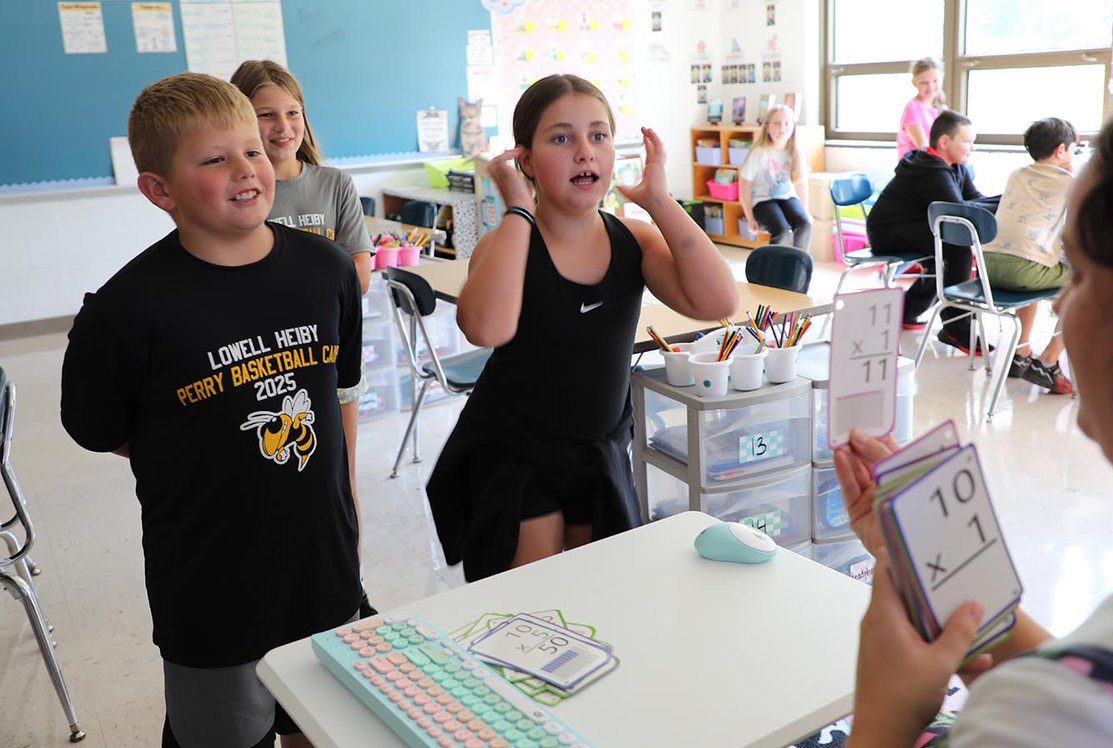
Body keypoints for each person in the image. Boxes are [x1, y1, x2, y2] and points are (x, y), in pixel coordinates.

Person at [836, 69, 1113, 746]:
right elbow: (1106, 683)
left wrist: (884, 713)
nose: (1061, 304)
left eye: (1081, 273)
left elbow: (1075, 708)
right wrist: (926, 558)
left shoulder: (1041, 722)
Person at [60, 73, 363, 748]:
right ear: (159, 190)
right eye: (214, 159)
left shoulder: (328, 272)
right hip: (211, 591)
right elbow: (100, 430)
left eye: (252, 149)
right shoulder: (124, 313)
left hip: (323, 569)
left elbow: (335, 396)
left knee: (327, 728)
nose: (247, 170)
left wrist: (350, 516)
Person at [426, 74, 738, 582]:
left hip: (599, 450)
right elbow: (485, 328)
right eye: (561, 138)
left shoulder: (633, 240)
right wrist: (517, 214)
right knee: (535, 606)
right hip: (515, 452)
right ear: (524, 160)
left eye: (598, 135)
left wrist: (659, 202)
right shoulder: (508, 244)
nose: (584, 152)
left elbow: (716, 300)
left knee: (600, 595)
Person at [231, 59, 378, 616]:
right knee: (280, 478)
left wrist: (294, 291)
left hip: (330, 361)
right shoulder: (243, 191)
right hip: (265, 367)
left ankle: (348, 587)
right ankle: (284, 591)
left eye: (292, 112)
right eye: (265, 114)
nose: (282, 126)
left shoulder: (332, 183)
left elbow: (358, 274)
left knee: (338, 479)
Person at [866, 109, 999, 349]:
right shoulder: (930, 170)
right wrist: (1001, 202)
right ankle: (955, 328)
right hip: (888, 232)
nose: (973, 147)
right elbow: (957, 211)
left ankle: (904, 311)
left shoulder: (956, 166)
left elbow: (974, 199)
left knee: (948, 247)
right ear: (945, 142)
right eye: (968, 141)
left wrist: (1000, 202)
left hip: (914, 227)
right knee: (956, 246)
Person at [983, 117, 1078, 395]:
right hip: (1024, 271)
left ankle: (1020, 351)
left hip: (987, 268)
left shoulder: (1017, 174)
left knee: (1033, 262)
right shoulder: (1069, 181)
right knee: (1090, 281)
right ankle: (1048, 360)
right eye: (1073, 149)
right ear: (1061, 151)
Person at [738, 104, 812, 251]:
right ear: (767, 127)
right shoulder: (758, 153)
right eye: (776, 123)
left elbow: (801, 184)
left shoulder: (797, 152)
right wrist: (750, 217)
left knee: (805, 224)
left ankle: (800, 270)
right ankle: (775, 271)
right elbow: (744, 186)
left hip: (787, 198)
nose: (782, 128)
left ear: (793, 127)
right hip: (763, 201)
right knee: (782, 231)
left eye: (786, 124)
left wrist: (805, 211)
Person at [897, 57, 946, 160]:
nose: (931, 87)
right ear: (914, 83)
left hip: (933, 165)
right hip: (916, 169)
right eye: (924, 82)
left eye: (935, 81)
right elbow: (924, 149)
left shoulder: (942, 110)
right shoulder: (913, 108)